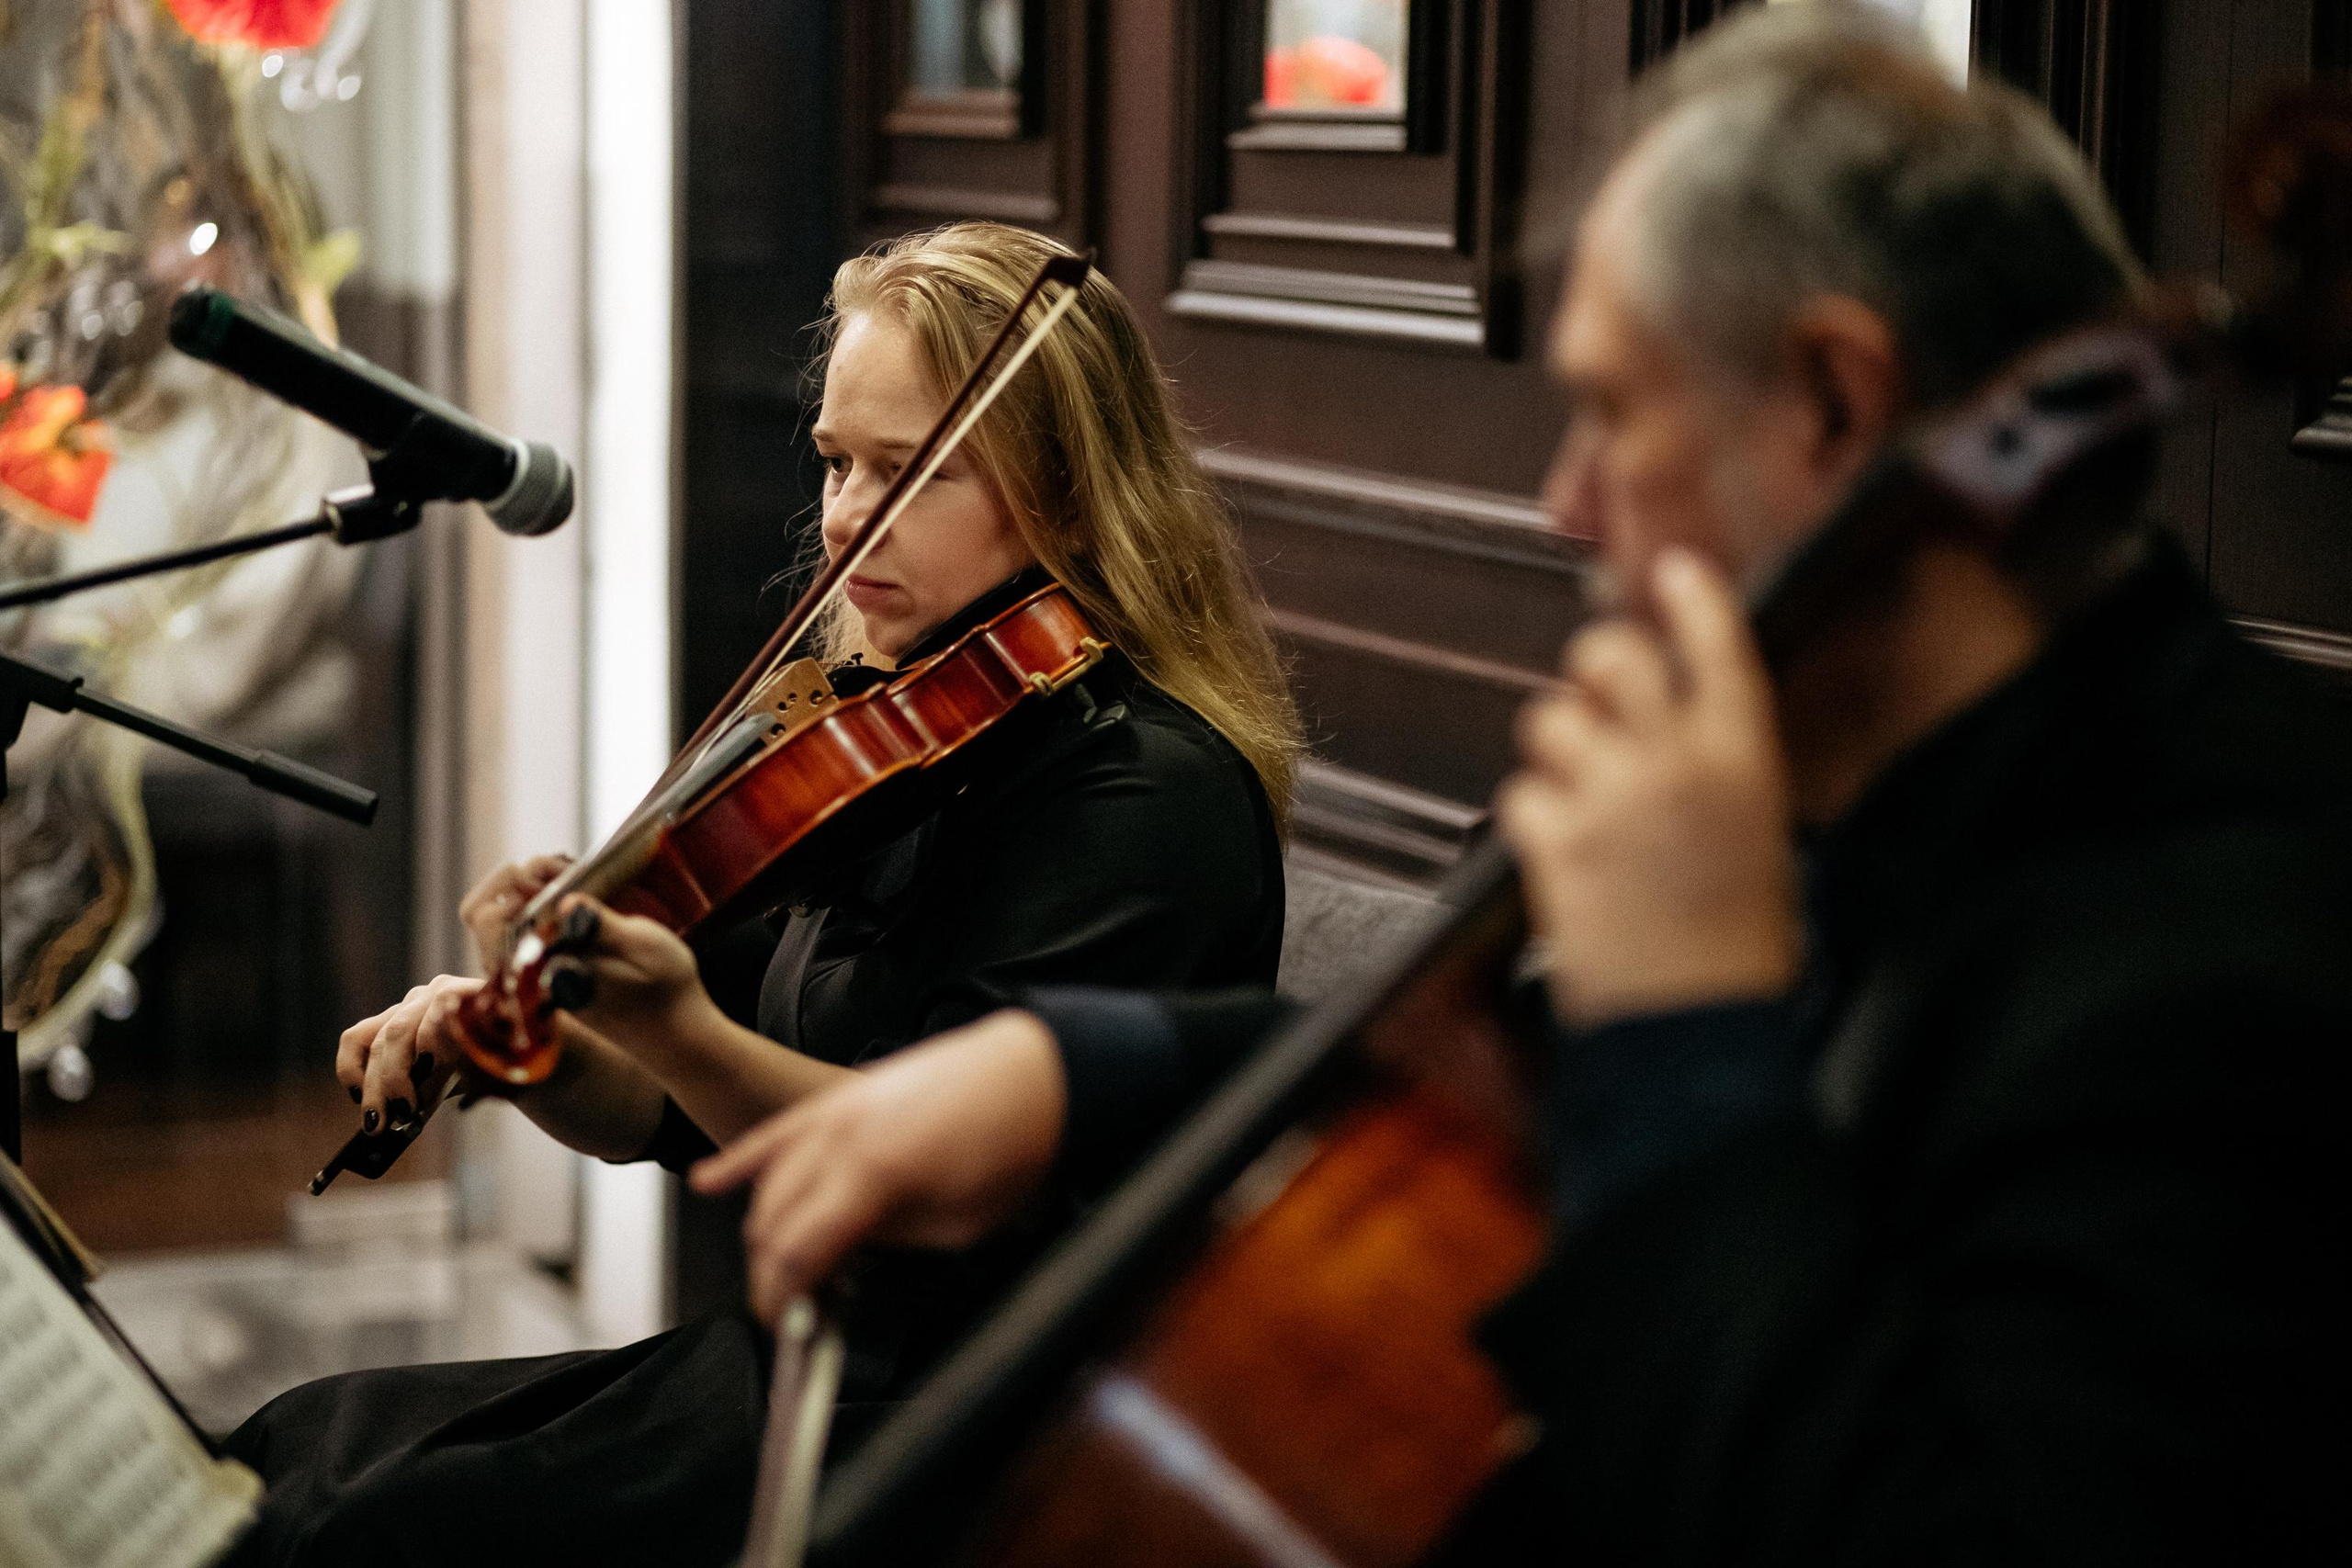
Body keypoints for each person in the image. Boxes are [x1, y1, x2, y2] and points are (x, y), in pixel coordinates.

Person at [695, 9, 2347, 1562]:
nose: (1562, 504)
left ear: (1838, 402)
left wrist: (1690, 1022)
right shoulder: (1851, 769)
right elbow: (1502, 1092)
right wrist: (1072, 1069)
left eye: (1612, 411)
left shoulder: (2232, 935)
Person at [218, 220, 1303, 1568]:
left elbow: (916, 1184)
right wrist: (540, 1051)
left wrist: (676, 1023)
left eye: (911, 475)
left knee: (332, 1527)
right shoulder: (893, 746)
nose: (846, 517)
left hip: (962, 1437)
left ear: (1074, 494)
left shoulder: (1142, 797)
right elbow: (674, 1111)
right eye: (837, 462)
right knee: (278, 1455)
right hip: (809, 1379)